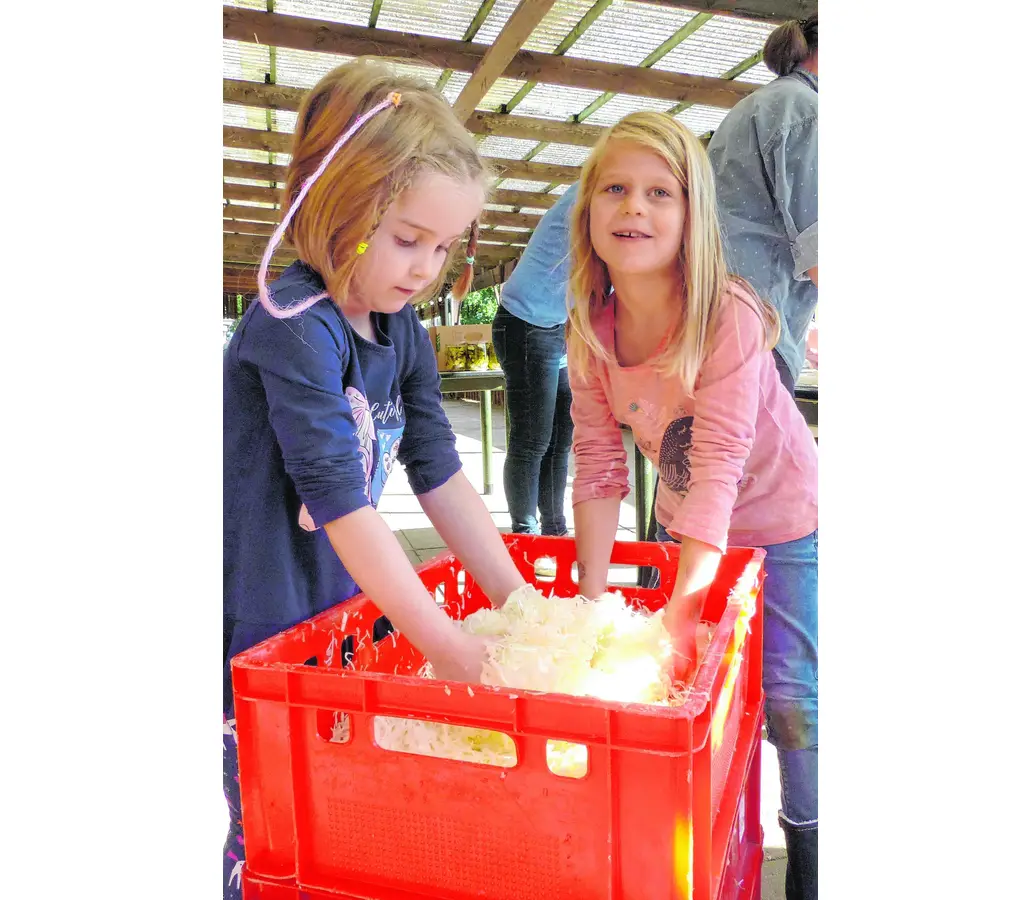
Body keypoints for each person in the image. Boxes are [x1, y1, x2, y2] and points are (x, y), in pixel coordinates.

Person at [221, 59, 528, 899]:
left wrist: (519, 606)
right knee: (272, 824)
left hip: (335, 619)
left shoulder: (399, 328)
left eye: (441, 245)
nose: (427, 266)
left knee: (344, 818)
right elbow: (343, 503)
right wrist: (448, 646)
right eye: (406, 237)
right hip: (263, 626)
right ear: (338, 202)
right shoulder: (292, 324)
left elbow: (440, 473)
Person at [565, 111, 820, 900]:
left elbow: (716, 467)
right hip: (698, 532)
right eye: (615, 190)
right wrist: (590, 599)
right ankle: (722, 848)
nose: (634, 208)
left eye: (658, 193)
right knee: (702, 700)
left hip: (782, 526)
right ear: (588, 216)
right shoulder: (590, 331)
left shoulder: (727, 315)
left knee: (786, 696)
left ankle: (812, 858)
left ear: (694, 215)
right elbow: (601, 468)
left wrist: (682, 610)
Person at [708, 15, 818, 392]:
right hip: (760, 325)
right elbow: (819, 244)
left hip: (718, 314)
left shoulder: (756, 105)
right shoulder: (807, 110)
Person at [492, 183, 579, 536]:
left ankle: (554, 530)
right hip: (525, 324)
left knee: (560, 438)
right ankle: (523, 534)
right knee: (532, 440)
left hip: (554, 327)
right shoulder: (594, 195)